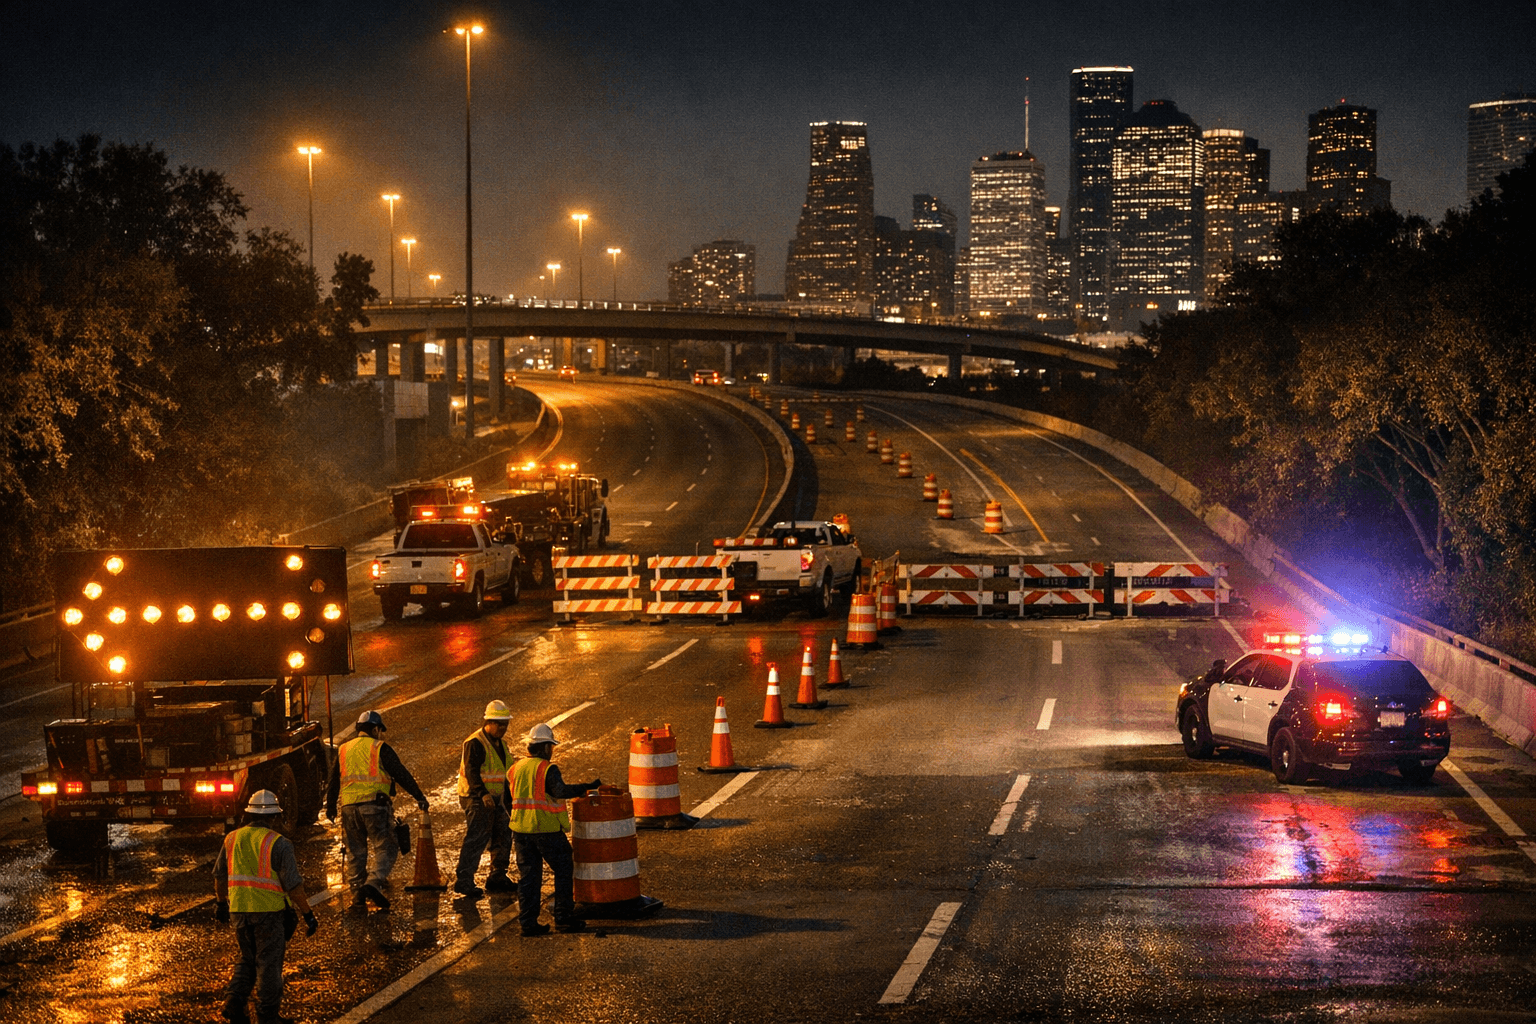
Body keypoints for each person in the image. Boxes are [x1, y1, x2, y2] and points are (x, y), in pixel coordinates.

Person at [214, 789, 318, 1024]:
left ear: (249, 814)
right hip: (268, 913)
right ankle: (268, 1015)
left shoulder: (231, 838)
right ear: (275, 817)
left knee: (247, 958)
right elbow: (293, 885)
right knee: (269, 964)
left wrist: (221, 904)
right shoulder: (279, 843)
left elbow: (219, 876)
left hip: (238, 910)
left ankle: (234, 1002)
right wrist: (308, 914)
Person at [325, 709, 430, 912]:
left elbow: (333, 780)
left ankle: (357, 897)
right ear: (375, 729)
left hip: (348, 808)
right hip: (374, 805)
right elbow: (400, 773)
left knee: (356, 852)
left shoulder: (344, 749)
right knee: (386, 847)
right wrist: (418, 796)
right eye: (380, 730)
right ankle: (373, 883)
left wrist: (330, 807)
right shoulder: (379, 747)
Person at [509, 721, 600, 936]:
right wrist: (586, 788)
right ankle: (563, 918)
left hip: (521, 831)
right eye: (551, 747)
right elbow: (559, 791)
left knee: (529, 877)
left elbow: (507, 799)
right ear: (544, 747)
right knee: (564, 868)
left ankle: (528, 923)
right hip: (545, 829)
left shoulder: (515, 768)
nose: (552, 751)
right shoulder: (546, 768)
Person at [452, 699, 517, 899]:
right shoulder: (475, 743)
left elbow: (506, 774)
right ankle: (464, 880)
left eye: (505, 724)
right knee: (477, 837)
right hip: (476, 797)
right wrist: (482, 793)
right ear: (488, 722)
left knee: (503, 834)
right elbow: (471, 771)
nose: (503, 728)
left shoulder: (502, 745)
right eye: (499, 724)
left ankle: (498, 875)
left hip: (497, 798)